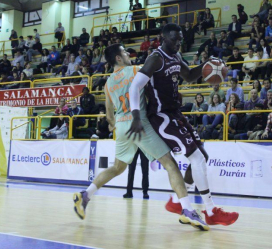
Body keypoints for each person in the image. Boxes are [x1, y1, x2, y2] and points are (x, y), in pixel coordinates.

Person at [74, 43, 209, 231]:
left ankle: (86, 194)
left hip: (121, 126)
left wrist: (115, 124)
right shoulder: (136, 70)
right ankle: (187, 211)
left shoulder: (108, 83)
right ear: (119, 59)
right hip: (139, 124)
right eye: (124, 52)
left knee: (117, 168)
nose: (128, 54)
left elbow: (109, 115)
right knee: (171, 164)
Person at [127, 23, 239, 226]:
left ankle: (176, 202)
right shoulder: (156, 59)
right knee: (196, 157)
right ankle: (211, 211)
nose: (179, 42)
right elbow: (134, 86)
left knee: (202, 155)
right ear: (163, 38)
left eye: (180, 39)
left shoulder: (176, 56)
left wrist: (209, 66)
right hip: (161, 116)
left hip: (176, 113)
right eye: (174, 39)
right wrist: (136, 116)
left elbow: (188, 76)